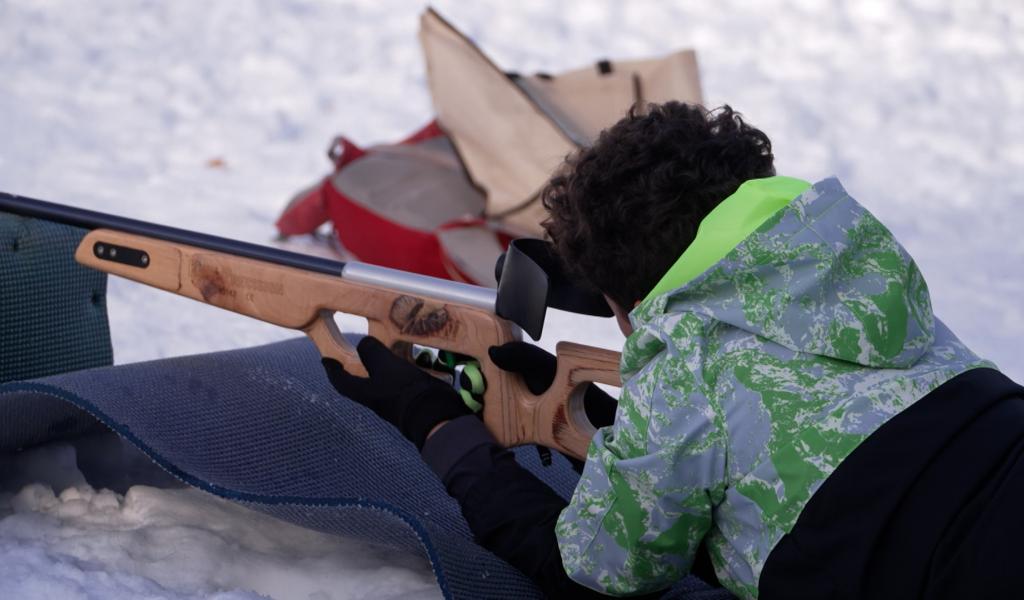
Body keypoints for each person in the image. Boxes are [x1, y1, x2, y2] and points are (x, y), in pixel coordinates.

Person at [321, 102, 1023, 599]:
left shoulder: (685, 367)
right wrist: (602, 422)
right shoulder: (864, 274)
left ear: (626, 300)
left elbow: (593, 574)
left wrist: (443, 431)